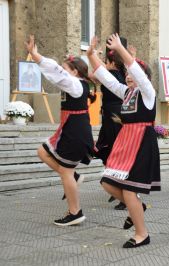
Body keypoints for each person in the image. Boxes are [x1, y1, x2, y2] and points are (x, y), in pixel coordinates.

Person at [88, 34, 160, 248]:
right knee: (107, 183)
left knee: (129, 191)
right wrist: (91, 54)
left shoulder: (148, 93)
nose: (128, 75)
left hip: (142, 144)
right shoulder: (126, 93)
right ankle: (137, 207)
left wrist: (120, 49)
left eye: (132, 73)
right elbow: (107, 79)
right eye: (127, 73)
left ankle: (142, 233)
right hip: (126, 143)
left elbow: (136, 70)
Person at [26, 35, 93, 226]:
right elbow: (55, 73)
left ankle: (75, 212)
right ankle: (75, 178)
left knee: (65, 171)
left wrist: (35, 55)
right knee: (42, 152)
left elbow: (54, 70)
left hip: (76, 133)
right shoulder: (73, 84)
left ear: (74, 71)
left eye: (66, 69)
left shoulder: (75, 84)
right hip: (69, 130)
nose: (62, 71)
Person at [92, 36, 128, 210]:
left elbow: (94, 74)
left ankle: (123, 193)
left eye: (106, 61)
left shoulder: (112, 74)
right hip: (114, 116)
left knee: (112, 152)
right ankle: (117, 187)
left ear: (112, 63)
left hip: (113, 117)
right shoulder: (120, 73)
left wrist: (92, 55)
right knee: (110, 151)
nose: (104, 64)